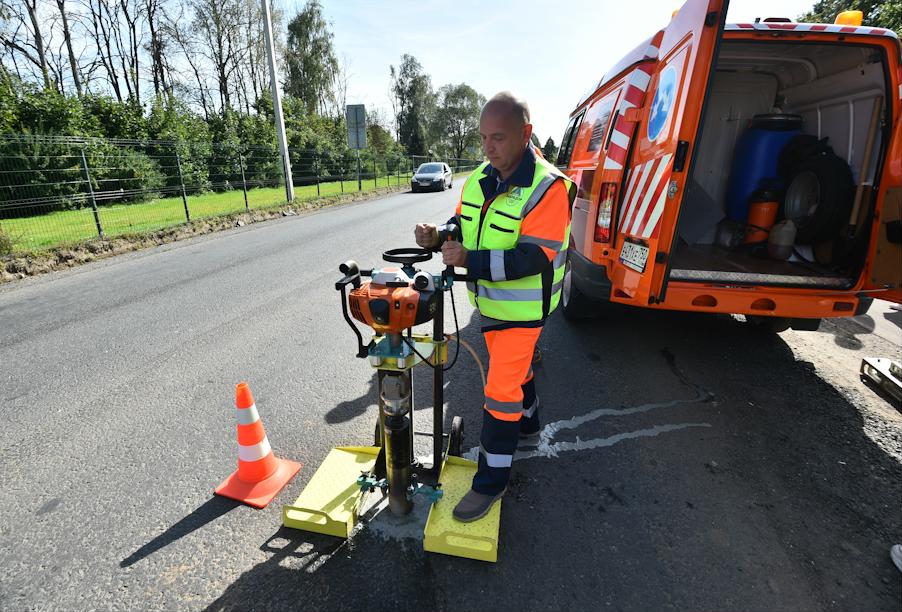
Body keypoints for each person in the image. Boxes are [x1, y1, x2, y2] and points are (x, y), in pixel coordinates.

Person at [415, 91, 575, 522]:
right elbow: (464, 223)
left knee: (501, 393)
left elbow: (532, 257)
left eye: (498, 138)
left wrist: (470, 260)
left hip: (523, 312)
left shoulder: (548, 187)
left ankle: (491, 483)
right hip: (491, 304)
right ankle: (530, 427)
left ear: (526, 133)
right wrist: (439, 234)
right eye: (483, 137)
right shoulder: (480, 178)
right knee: (517, 372)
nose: (488, 147)